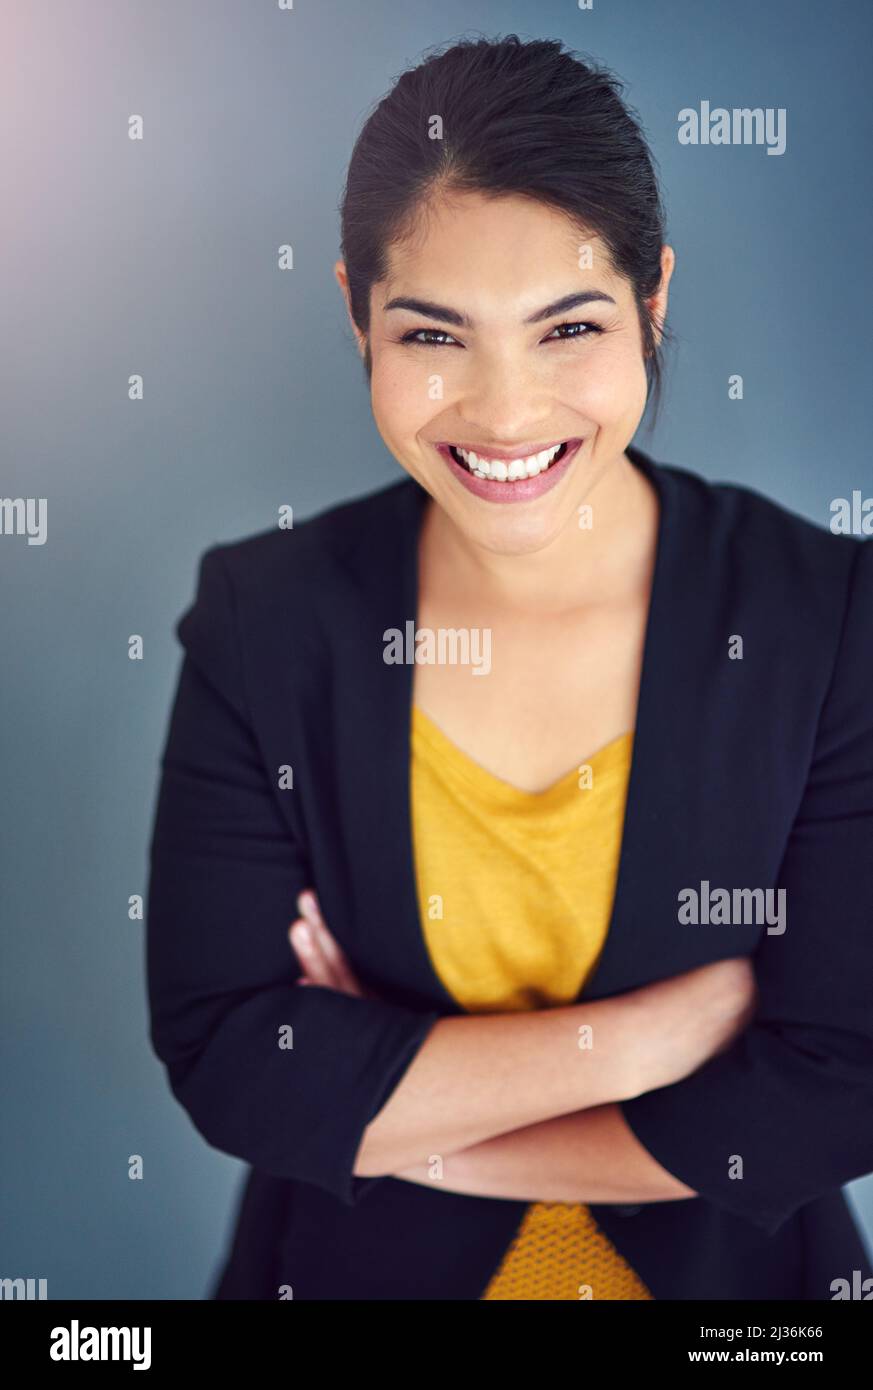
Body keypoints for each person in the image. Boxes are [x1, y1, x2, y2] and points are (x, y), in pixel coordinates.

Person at [146, 35, 873, 1300]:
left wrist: (406, 1124)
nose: (505, 411)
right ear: (356, 315)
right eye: (435, 333)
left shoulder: (829, 616)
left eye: (568, 327)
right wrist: (659, 1036)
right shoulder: (265, 619)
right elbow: (233, 1055)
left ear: (653, 303)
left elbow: (840, 1082)